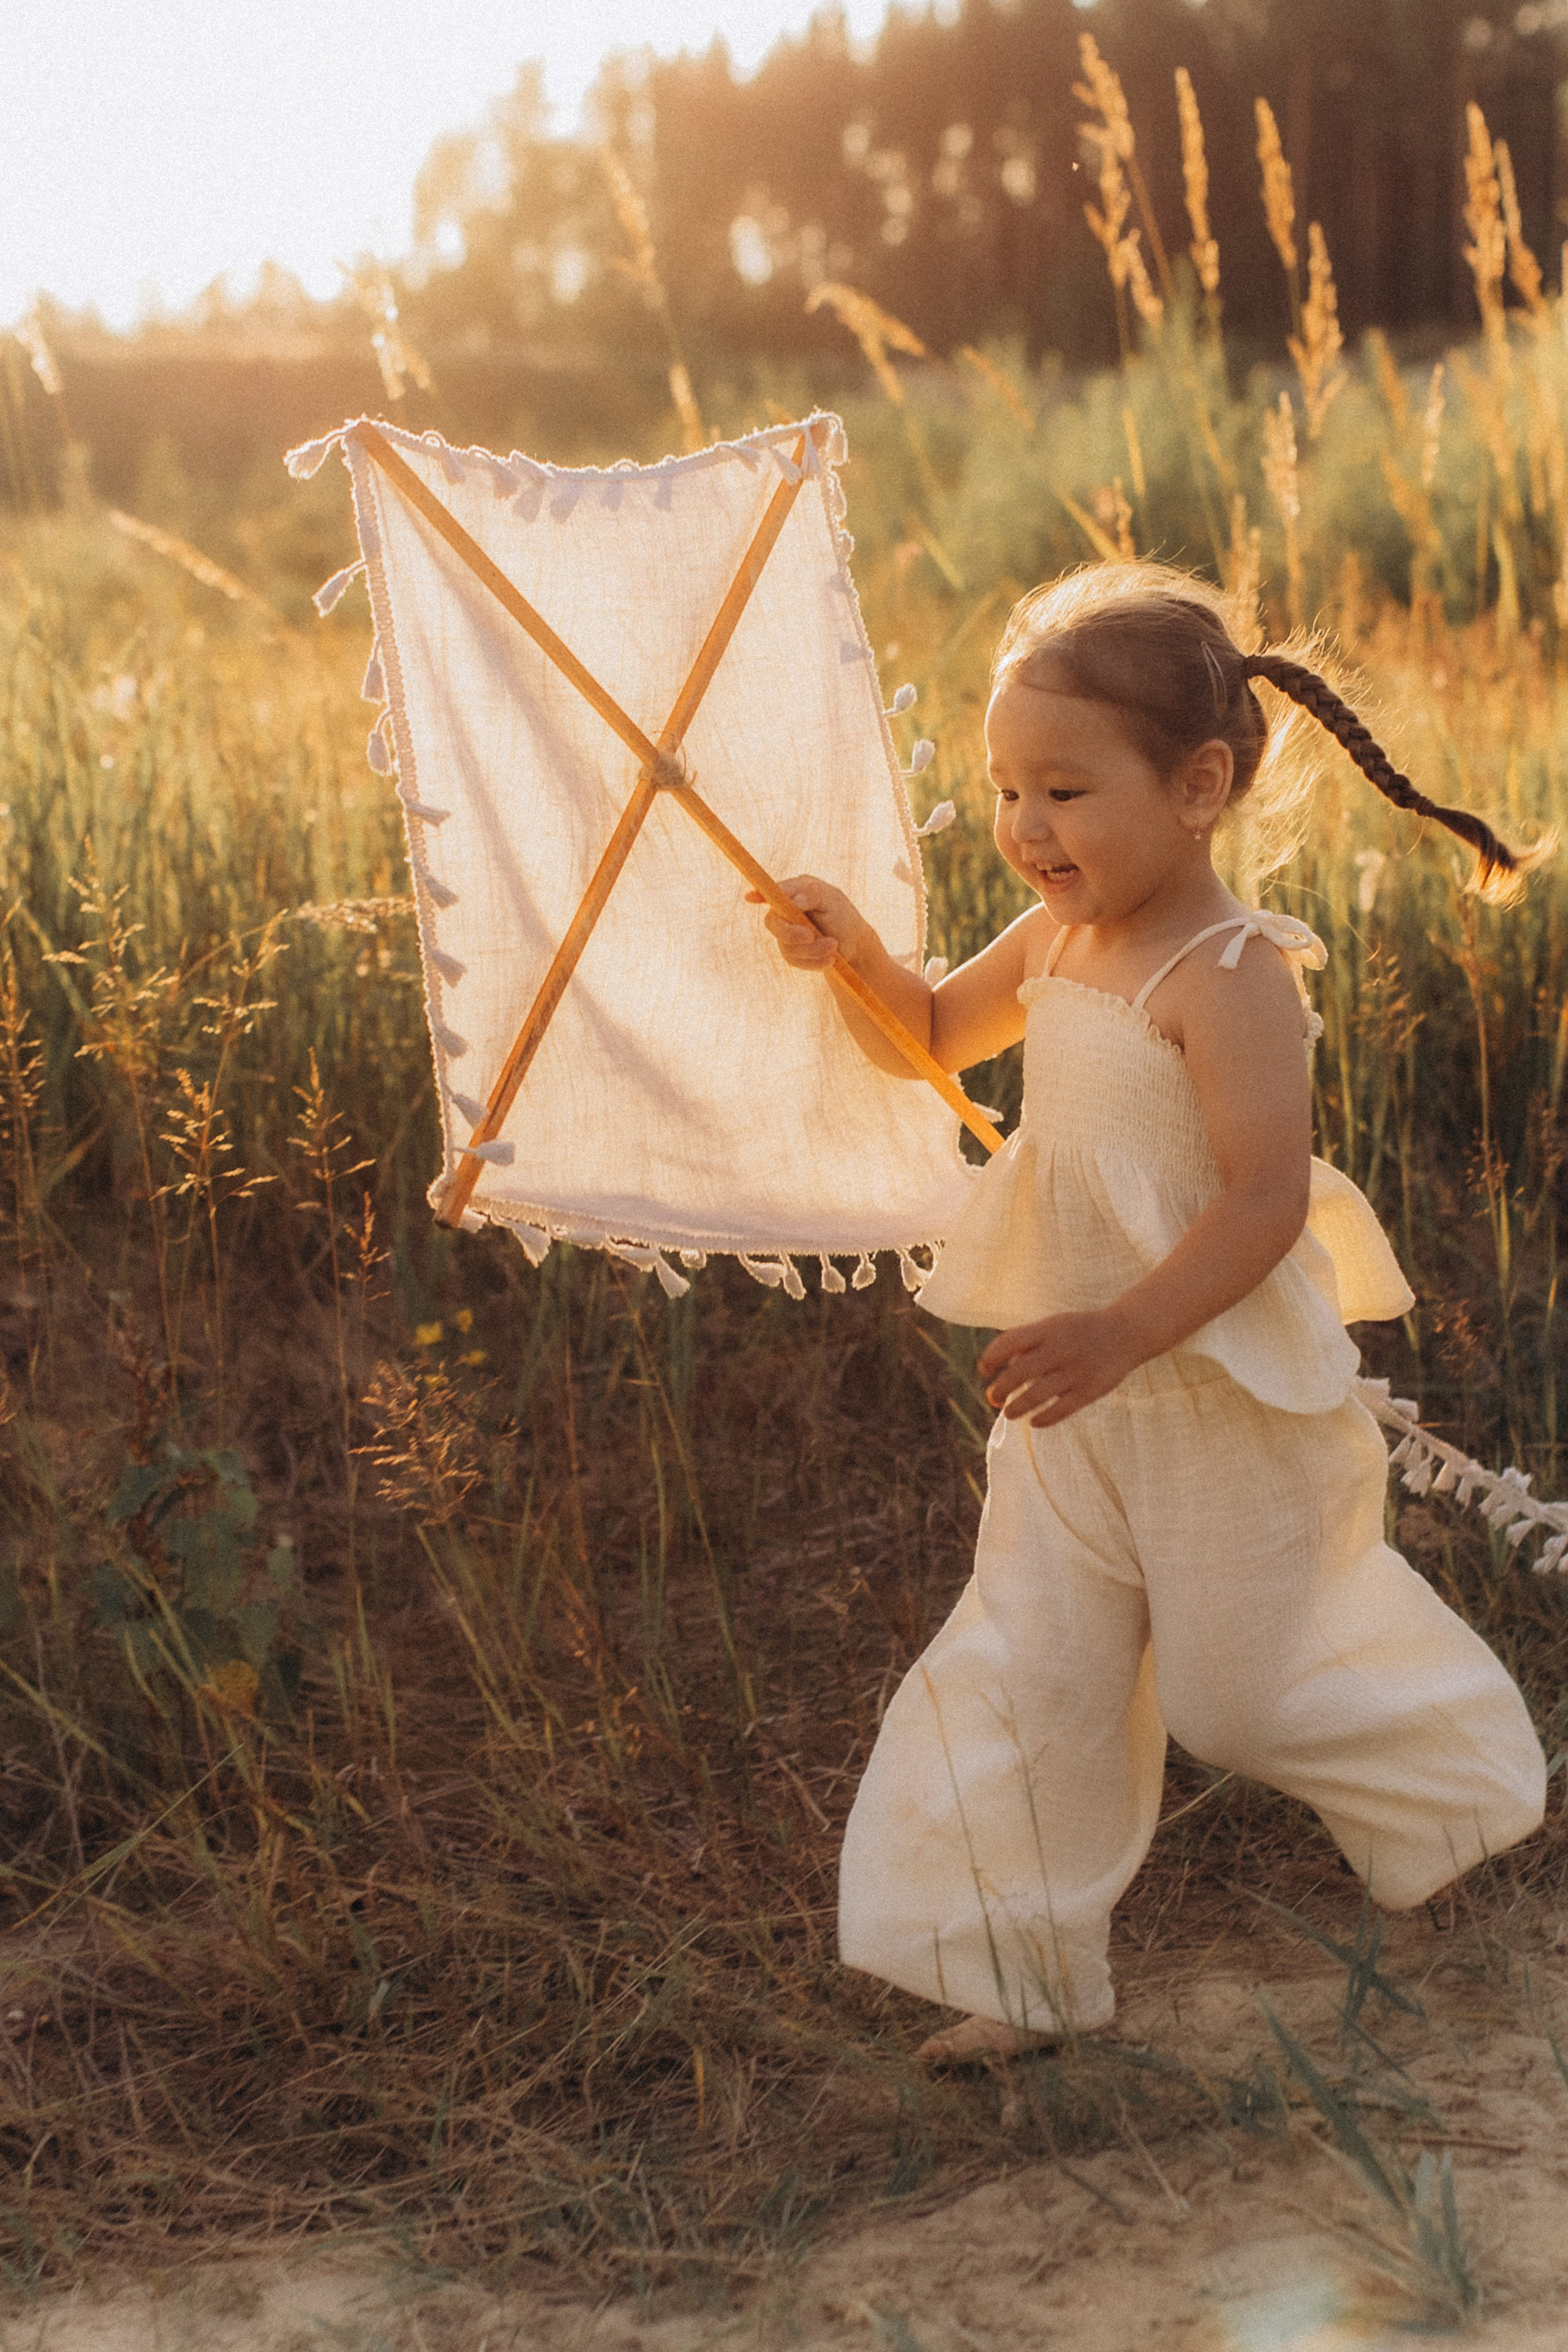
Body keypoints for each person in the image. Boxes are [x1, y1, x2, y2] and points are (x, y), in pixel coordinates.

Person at [749, 562, 1548, 2063]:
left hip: (1209, 1398)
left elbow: (1259, 1201)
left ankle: (1464, 1780)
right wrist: (849, 952)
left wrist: (1122, 1331)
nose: (1023, 829)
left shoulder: (1226, 974)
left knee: (1236, 1706)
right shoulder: (1051, 939)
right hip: (1073, 1402)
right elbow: (925, 1036)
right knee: (1033, 1668)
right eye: (1002, 791)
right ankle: (1021, 1972)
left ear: (1196, 786)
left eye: (1061, 790)